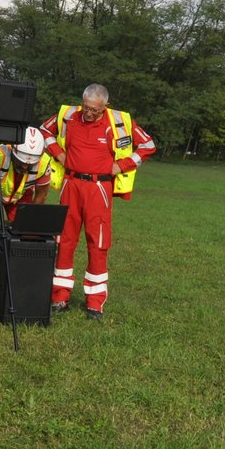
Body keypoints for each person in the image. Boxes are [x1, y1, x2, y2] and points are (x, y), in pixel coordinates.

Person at [39, 84, 155, 320]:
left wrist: (121, 165)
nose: (88, 114)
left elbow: (148, 145)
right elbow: (43, 131)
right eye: (86, 108)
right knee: (64, 240)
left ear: (106, 107)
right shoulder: (68, 115)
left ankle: (94, 303)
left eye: (95, 110)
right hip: (70, 185)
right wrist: (58, 154)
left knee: (98, 243)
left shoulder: (120, 121)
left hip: (99, 188)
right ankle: (59, 297)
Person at [0, 126, 54, 315]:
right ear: (14, 150)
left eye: (29, 165)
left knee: (26, 241)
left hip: (20, 198)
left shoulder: (44, 163)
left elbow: (40, 197)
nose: (25, 167)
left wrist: (31, 227)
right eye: (21, 162)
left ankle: (17, 292)